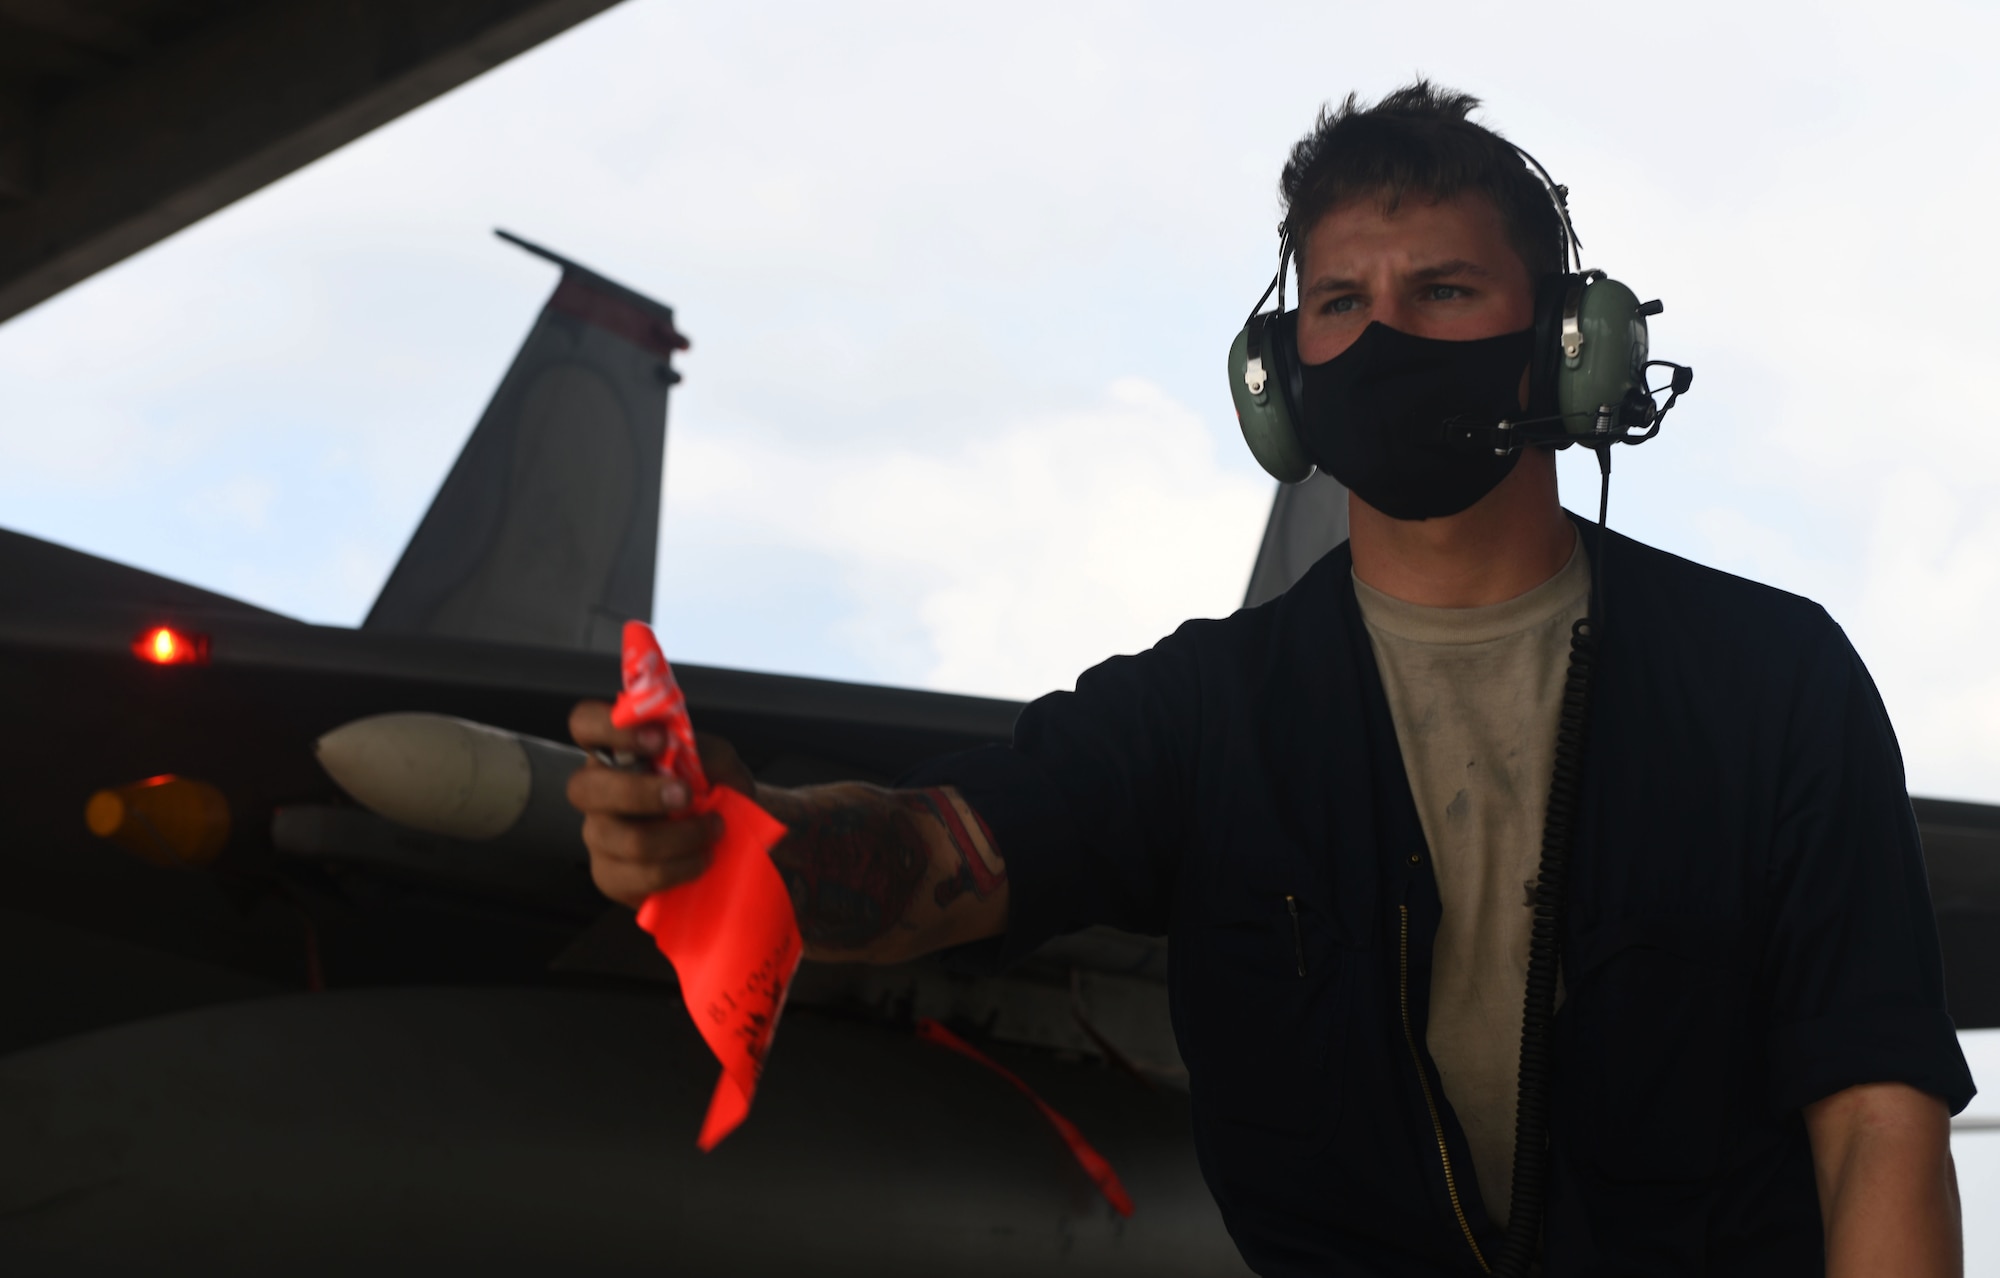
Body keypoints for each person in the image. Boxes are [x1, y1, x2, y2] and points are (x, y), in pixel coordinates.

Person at [566, 83, 1973, 1276]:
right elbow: (947, 852)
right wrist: (746, 843)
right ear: (1278, 371)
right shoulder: (1205, 714)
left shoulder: (1770, 680)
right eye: (1339, 302)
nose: (1381, 338)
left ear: (1566, 343)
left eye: (1444, 291)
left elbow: (1876, 1116)